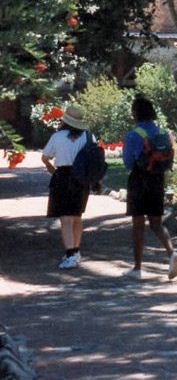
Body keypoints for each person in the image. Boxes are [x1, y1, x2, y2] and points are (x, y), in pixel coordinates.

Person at [123, 96, 177, 280]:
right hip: (157, 180)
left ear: (135, 113)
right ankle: (171, 253)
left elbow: (127, 163)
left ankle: (138, 268)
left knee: (138, 225)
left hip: (139, 181)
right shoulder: (163, 133)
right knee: (157, 222)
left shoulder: (133, 135)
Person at [41, 104, 93, 269]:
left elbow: (45, 156)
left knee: (65, 218)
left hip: (63, 176)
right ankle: (75, 251)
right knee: (77, 216)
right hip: (82, 178)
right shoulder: (87, 136)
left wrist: (50, 166)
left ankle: (70, 254)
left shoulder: (57, 136)